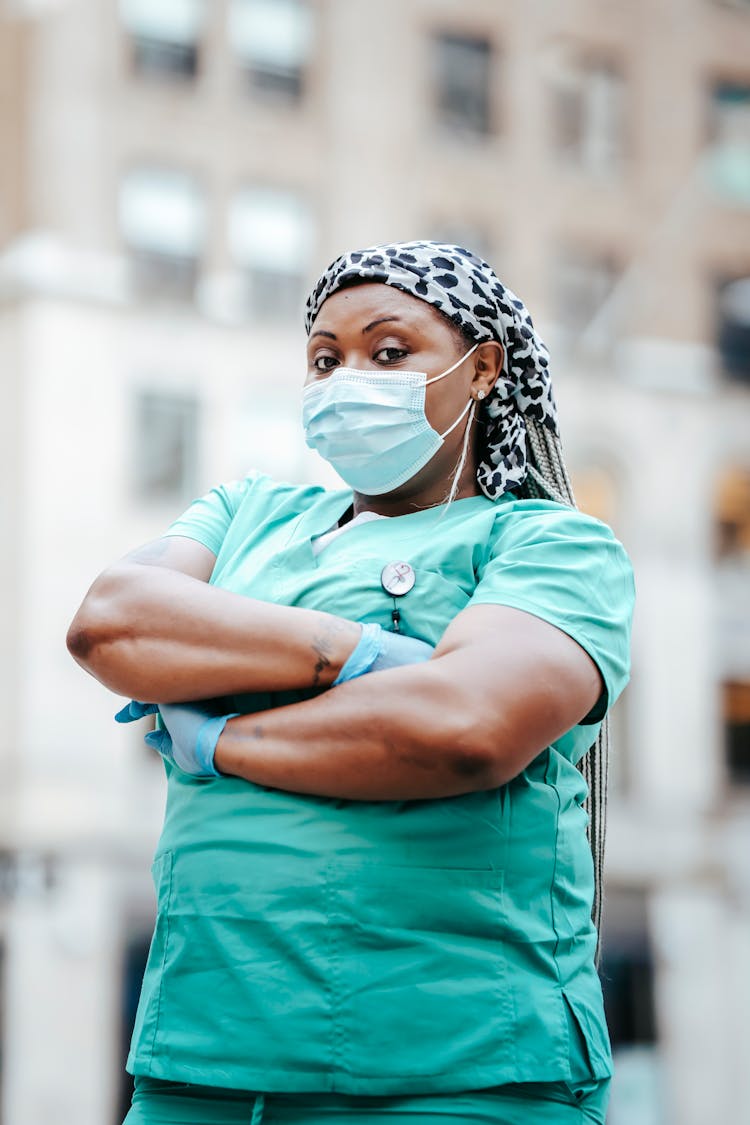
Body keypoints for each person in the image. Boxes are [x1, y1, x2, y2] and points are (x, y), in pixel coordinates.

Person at [67, 240, 635, 1125]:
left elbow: (463, 726)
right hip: (200, 1066)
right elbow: (111, 621)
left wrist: (218, 738)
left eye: (389, 350)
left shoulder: (550, 544)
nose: (346, 378)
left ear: (483, 369)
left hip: (454, 1074)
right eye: (325, 359)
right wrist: (360, 655)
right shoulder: (247, 511)